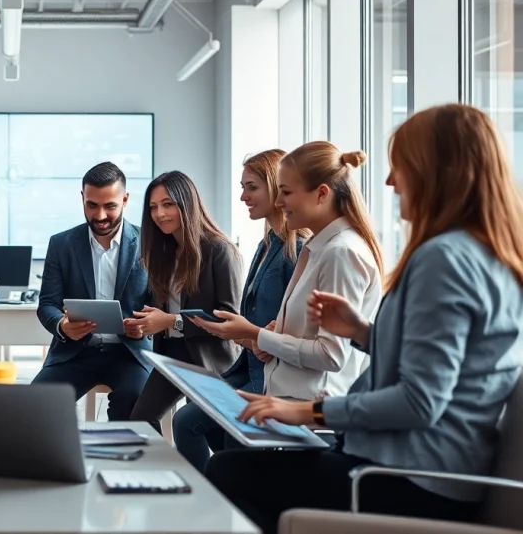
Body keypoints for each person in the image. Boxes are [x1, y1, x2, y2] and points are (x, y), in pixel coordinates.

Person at [204, 104, 523, 534]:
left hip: (412, 479)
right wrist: (361, 332)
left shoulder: (443, 259)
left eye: (401, 168)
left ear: (439, 173)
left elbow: (419, 402)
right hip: (430, 471)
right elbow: (450, 365)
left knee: (227, 473)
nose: (390, 182)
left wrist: (305, 413)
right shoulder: (486, 254)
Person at [192, 141, 383, 406]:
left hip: (310, 409)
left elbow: (331, 355)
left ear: (321, 194)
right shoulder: (318, 249)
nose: (279, 202)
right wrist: (275, 330)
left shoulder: (340, 253)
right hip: (291, 401)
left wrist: (259, 335)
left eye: (286, 192)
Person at [167, 152, 307, 469]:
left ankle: (222, 492)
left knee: (194, 424)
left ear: (276, 188)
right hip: (247, 366)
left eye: (251, 187)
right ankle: (220, 489)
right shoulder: (265, 245)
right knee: (191, 423)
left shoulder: (297, 249)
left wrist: (256, 337)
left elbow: (299, 323)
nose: (243, 196)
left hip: (271, 374)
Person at [31, 162, 150, 421]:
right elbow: (47, 304)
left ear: (125, 199)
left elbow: (160, 304)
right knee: (35, 404)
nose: (100, 216)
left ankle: (125, 461)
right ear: (82, 197)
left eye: (110, 206)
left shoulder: (148, 245)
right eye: (92, 205)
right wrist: (62, 326)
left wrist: (144, 325)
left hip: (129, 354)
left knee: (134, 403)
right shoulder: (61, 244)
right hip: (76, 352)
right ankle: (58, 459)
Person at [127, 171, 244, 431]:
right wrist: (144, 323)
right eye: (153, 207)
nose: (159, 214)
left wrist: (171, 321)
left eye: (168, 204)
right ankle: (160, 472)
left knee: (195, 430)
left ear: (187, 203)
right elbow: (162, 309)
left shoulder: (219, 250)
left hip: (209, 358)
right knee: (141, 421)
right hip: (171, 354)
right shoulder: (164, 252)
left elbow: (229, 318)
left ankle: (199, 473)